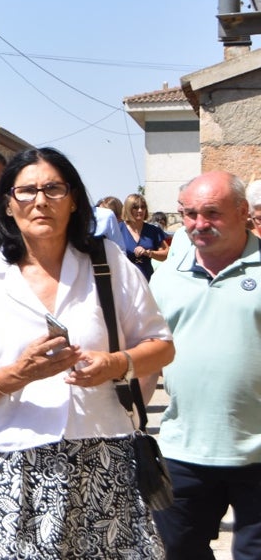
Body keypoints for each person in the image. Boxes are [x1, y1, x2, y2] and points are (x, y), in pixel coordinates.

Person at [0, 147, 173, 557]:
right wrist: (20, 373)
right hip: (9, 465)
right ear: (8, 205)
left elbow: (161, 345)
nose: (40, 201)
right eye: (26, 191)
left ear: (74, 201)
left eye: (53, 188)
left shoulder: (109, 263)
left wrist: (117, 363)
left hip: (104, 456)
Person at [150, 171, 261, 559]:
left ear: (243, 212)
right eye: (190, 214)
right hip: (184, 452)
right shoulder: (167, 279)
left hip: (258, 454)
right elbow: (149, 355)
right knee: (177, 551)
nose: (199, 224)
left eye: (211, 213)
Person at [121, 193, 169, 281]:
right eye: (135, 207)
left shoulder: (154, 230)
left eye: (143, 207)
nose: (140, 210)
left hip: (147, 280)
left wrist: (149, 253)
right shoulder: (119, 229)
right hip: (124, 280)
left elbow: (166, 253)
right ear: (128, 209)